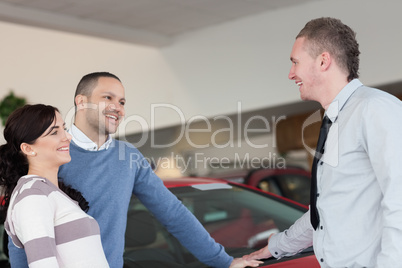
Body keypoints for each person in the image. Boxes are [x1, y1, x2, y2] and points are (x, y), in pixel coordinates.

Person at [7, 73, 262, 268]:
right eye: (107, 97)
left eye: (122, 101)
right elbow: (22, 239)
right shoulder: (49, 154)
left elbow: (173, 213)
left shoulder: (128, 157)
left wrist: (224, 261)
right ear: (81, 102)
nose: (118, 107)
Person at [243, 17, 402, 267]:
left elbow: (399, 199)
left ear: (323, 61)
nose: (290, 73)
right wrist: (274, 249)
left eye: (295, 62)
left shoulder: (375, 109)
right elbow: (325, 211)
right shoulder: (335, 120)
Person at [0, 104, 109, 267]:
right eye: (54, 132)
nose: (67, 137)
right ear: (28, 148)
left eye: (64, 129)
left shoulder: (49, 193)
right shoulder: (32, 195)